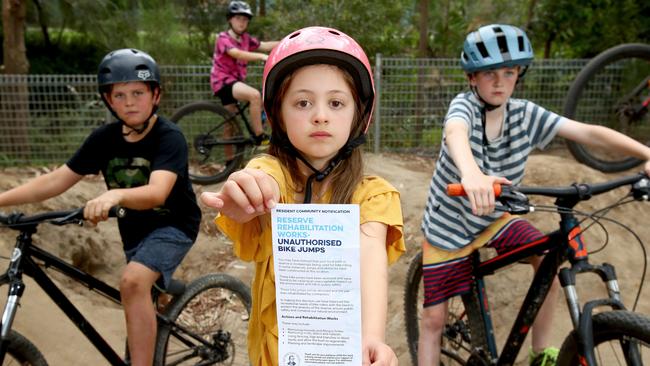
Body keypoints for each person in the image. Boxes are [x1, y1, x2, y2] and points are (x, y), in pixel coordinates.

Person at [418, 24, 650, 366]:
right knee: (433, 321)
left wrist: (646, 153)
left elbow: (587, 132)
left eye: (509, 72)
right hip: (449, 227)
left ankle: (540, 353)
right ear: (472, 79)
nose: (499, 82)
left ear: (519, 74)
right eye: (489, 74)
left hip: (495, 218)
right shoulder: (463, 108)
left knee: (548, 264)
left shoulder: (525, 114)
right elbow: (456, 133)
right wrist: (471, 174)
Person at [200, 26, 405, 366]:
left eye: (336, 102)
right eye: (303, 102)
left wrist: (372, 339)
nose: (320, 114)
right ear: (277, 113)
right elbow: (262, 177)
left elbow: (372, 265)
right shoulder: (273, 172)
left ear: (359, 113)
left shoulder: (373, 196)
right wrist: (246, 192)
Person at [0, 48, 201, 366]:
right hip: (133, 230)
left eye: (138, 92)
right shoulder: (104, 139)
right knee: (139, 286)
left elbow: (158, 192)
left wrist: (115, 195)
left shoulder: (169, 136)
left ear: (156, 94)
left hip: (173, 226)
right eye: (119, 95)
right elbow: (57, 180)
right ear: (108, 100)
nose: (130, 102)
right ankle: (164, 288)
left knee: (133, 281)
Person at [210, 0, 279, 145]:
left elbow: (264, 45)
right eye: (238, 18)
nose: (242, 22)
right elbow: (238, 54)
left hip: (235, 83)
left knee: (230, 123)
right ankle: (260, 136)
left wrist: (287, 41)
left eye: (245, 19)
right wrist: (261, 57)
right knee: (254, 95)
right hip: (223, 82)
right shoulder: (223, 38)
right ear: (230, 19)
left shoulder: (246, 39)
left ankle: (229, 163)